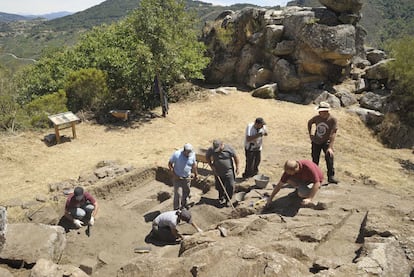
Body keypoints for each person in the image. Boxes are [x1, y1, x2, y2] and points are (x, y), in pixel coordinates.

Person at [307, 101, 339, 184]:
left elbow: (333, 133)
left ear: (326, 111)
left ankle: (331, 176)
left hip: (326, 142)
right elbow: (309, 123)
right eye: (319, 111)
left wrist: (330, 147)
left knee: (329, 157)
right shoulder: (316, 118)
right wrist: (310, 134)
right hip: (316, 141)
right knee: (315, 159)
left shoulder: (332, 120)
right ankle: (314, 176)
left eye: (321, 111)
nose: (320, 113)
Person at [206, 139, 240, 206]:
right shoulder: (211, 149)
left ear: (222, 145)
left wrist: (237, 167)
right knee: (220, 186)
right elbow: (207, 157)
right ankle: (221, 198)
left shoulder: (229, 148)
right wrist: (211, 166)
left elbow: (236, 157)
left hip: (229, 172)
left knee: (230, 186)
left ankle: (228, 199)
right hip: (218, 172)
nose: (217, 150)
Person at [168, 143, 198, 210]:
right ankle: (176, 209)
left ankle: (185, 204)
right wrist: (174, 175)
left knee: (186, 191)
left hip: (187, 177)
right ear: (184, 151)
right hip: (177, 177)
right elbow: (170, 164)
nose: (189, 155)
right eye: (187, 153)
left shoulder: (192, 155)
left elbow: (194, 165)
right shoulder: (177, 155)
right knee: (178, 194)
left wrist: (196, 174)